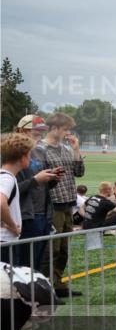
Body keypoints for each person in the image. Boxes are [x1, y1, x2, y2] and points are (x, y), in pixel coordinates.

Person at [37, 112, 84, 297]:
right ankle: (46, 287)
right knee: (52, 248)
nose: (68, 133)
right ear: (54, 128)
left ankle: (58, 284)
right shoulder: (40, 149)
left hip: (68, 203)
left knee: (64, 248)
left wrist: (76, 150)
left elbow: (79, 172)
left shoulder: (66, 148)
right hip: (52, 204)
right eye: (65, 129)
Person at [14, 116, 59, 270]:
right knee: (23, 265)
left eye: (41, 133)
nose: (39, 136)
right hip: (25, 217)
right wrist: (36, 180)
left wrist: (53, 178)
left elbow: (42, 185)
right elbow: (9, 190)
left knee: (38, 263)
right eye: (35, 132)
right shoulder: (9, 154)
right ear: (21, 131)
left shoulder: (40, 152)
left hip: (44, 214)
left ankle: (34, 293)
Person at [1, 134, 35, 265]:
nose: (31, 158)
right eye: (29, 155)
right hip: (4, 242)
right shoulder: (7, 178)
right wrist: (13, 226)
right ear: (22, 157)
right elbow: (1, 202)